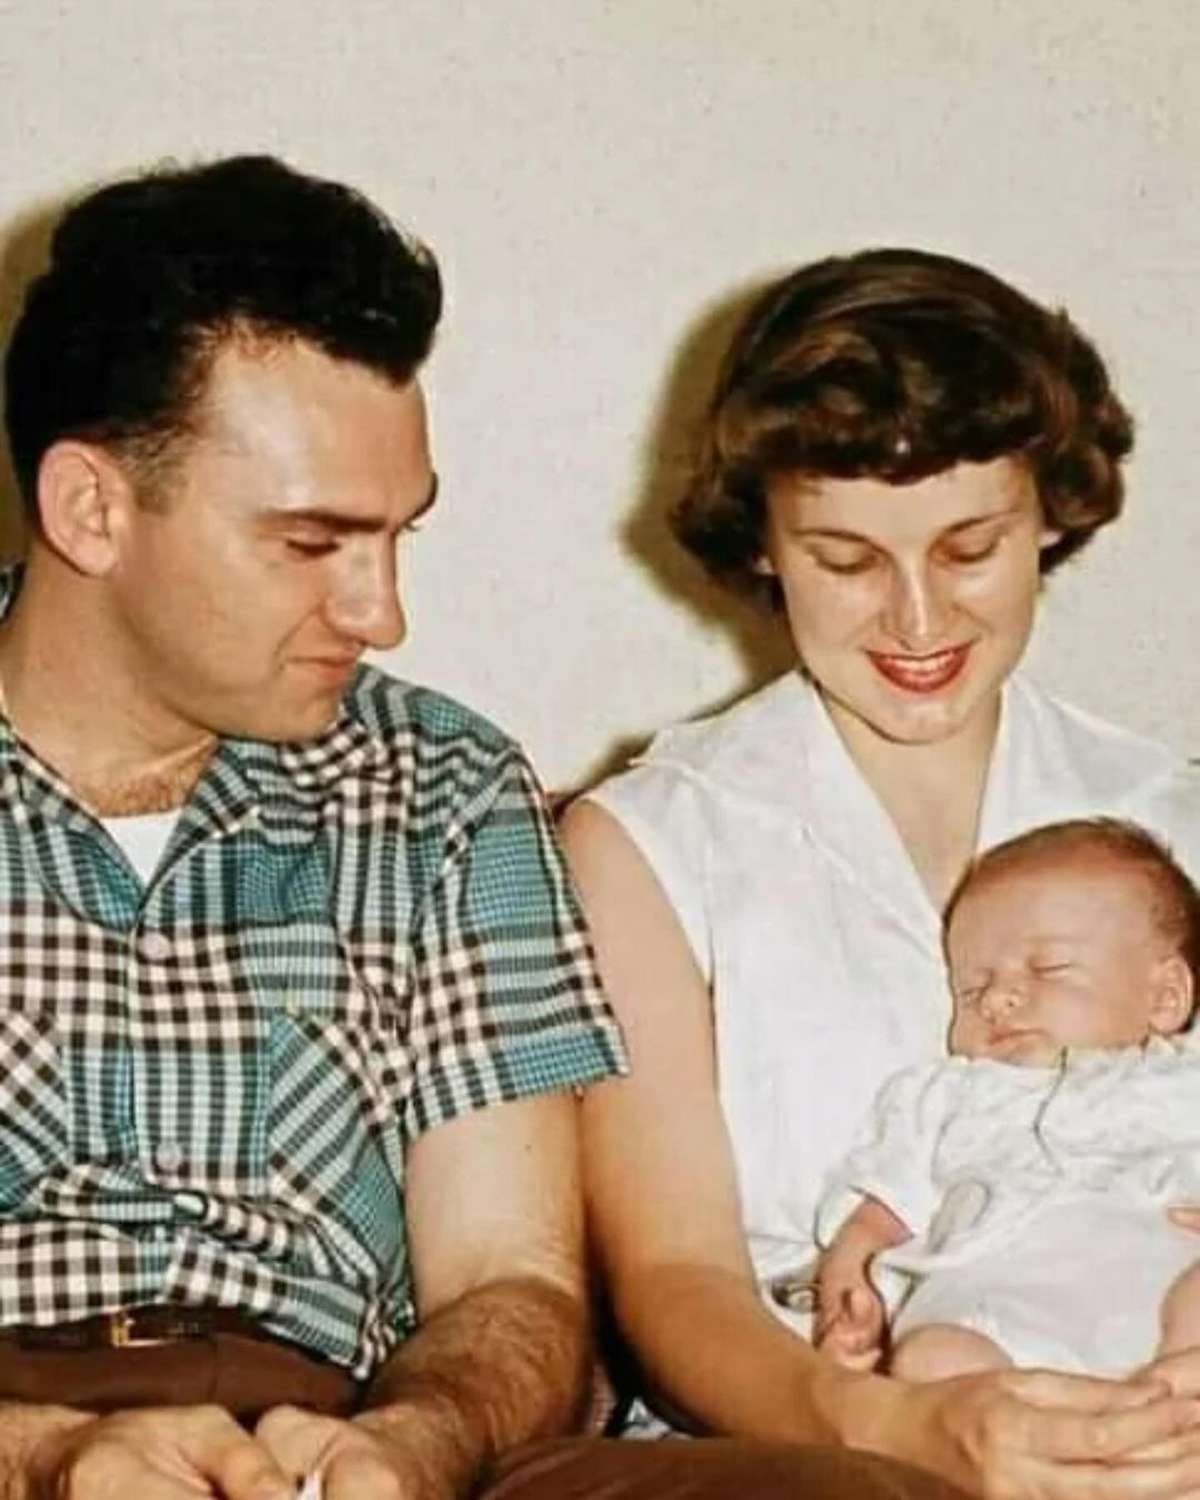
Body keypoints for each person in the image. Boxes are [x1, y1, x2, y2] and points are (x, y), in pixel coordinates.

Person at [0, 156, 970, 1500]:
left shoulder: (441, 784)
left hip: (337, 1433)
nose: (382, 611)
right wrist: (47, 1457)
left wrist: (411, 1445)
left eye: (398, 537)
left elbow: (510, 1285)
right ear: (91, 509)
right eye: (312, 543)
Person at [561, 246, 1200, 1497]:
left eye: (969, 549)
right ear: (762, 546)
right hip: (812, 1440)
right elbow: (675, 1279)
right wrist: (898, 1428)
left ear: (1053, 515)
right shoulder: (651, 840)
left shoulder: (1167, 813)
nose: (917, 622)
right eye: (847, 561)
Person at [815, 817, 1200, 1383]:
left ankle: (1170, 1399)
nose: (996, 998)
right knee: (932, 1358)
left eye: (1047, 968)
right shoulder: (944, 1097)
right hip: (998, 1310)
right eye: (970, 989)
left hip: (1163, 1292)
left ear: (1165, 996)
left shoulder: (1183, 1081)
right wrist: (847, 1296)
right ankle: (1085, 1435)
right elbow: (879, 1213)